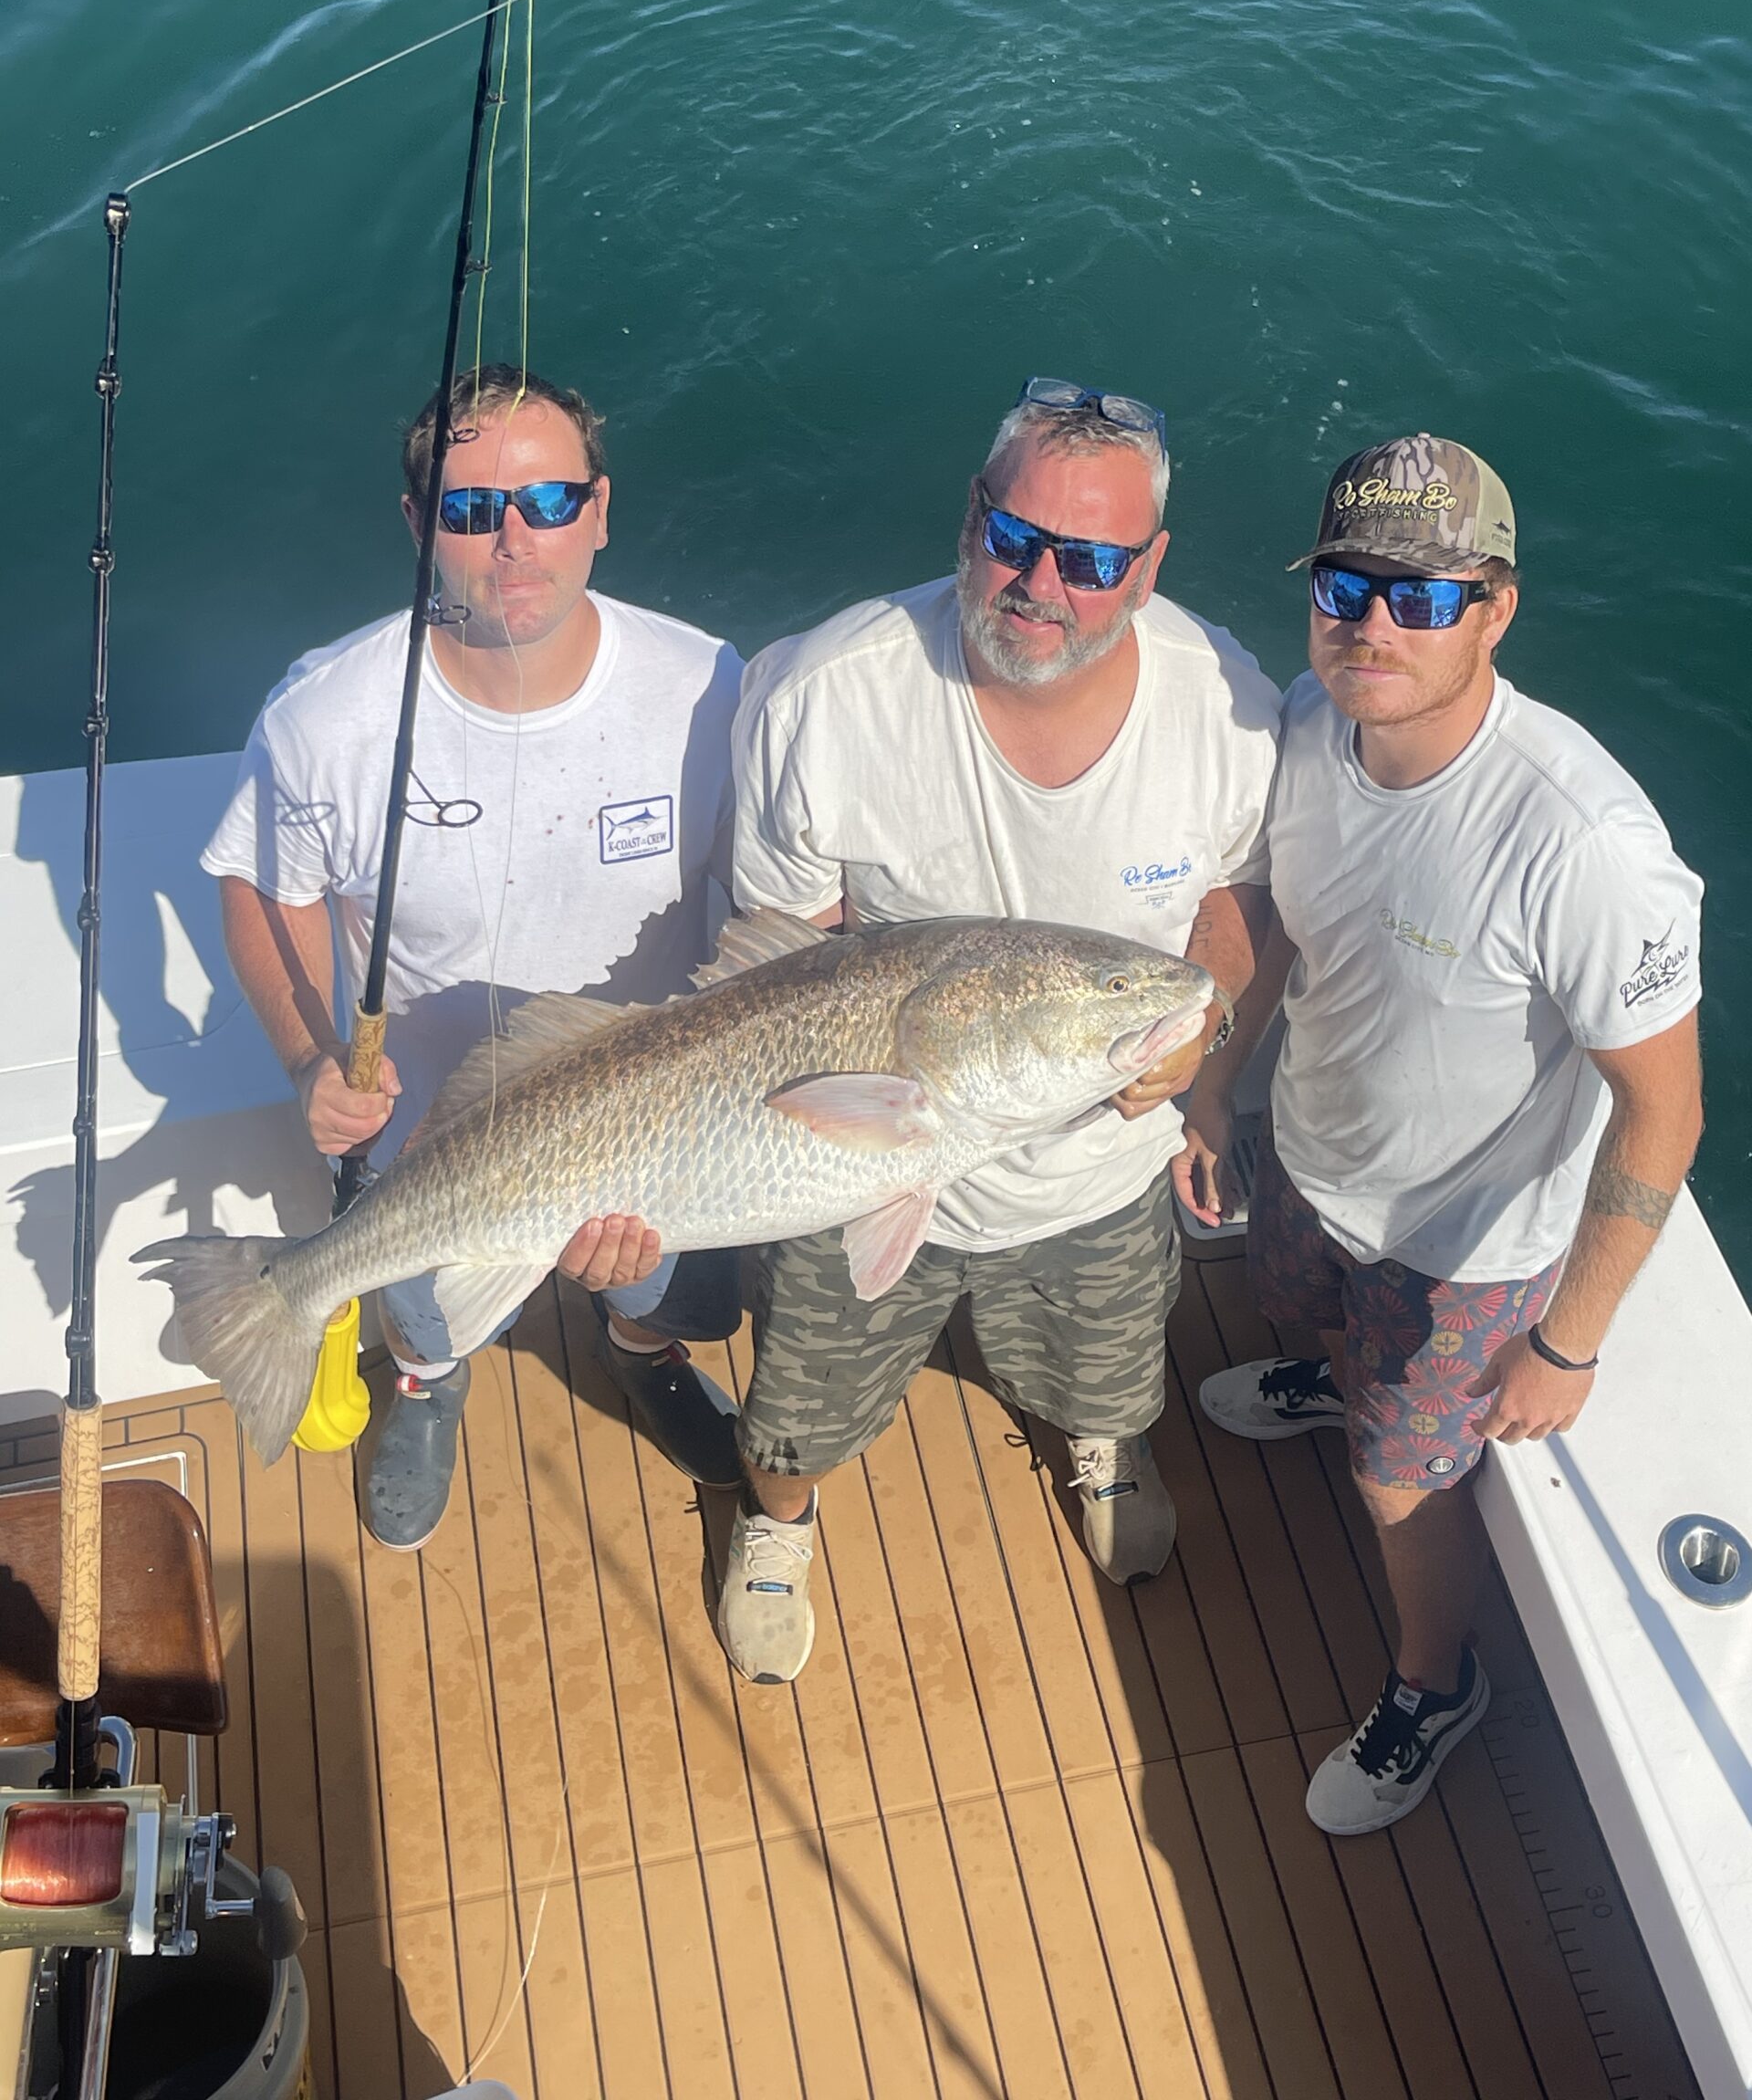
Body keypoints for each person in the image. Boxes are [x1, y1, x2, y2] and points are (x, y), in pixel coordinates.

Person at [717, 377, 1281, 1683]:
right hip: (858, 1148)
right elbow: (774, 968)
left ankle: (1099, 1441)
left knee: (1111, 1369)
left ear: (1147, 570)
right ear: (971, 515)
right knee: (793, 1406)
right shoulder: (828, 695)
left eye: (1089, 559)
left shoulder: (1224, 706)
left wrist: (1208, 1045)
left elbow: (1238, 897)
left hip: (1098, 1177)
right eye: (1014, 535)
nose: (1040, 581)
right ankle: (776, 1520)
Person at [1185, 435, 1704, 1835]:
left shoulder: (1582, 844)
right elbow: (1285, 917)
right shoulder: (1306, 721)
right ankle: (1332, 1377)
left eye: (1421, 597)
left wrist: (1571, 1340)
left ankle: (1435, 1683)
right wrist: (1215, 1085)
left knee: (1398, 1483)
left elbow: (1667, 1108)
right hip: (1312, 1160)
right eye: (1347, 586)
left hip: (1471, 1253)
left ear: (1497, 609)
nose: (1372, 625)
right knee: (1299, 1316)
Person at [202, 364, 746, 1548]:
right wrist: (309, 1059)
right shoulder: (326, 718)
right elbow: (259, 889)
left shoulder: (711, 687)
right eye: (467, 511)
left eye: (549, 503)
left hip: (660, 1127)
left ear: (601, 509)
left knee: (679, 1292)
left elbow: (768, 901)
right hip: (431, 1138)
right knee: (428, 1313)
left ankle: (639, 1351)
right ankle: (427, 1384)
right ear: (416, 527)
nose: (514, 541)